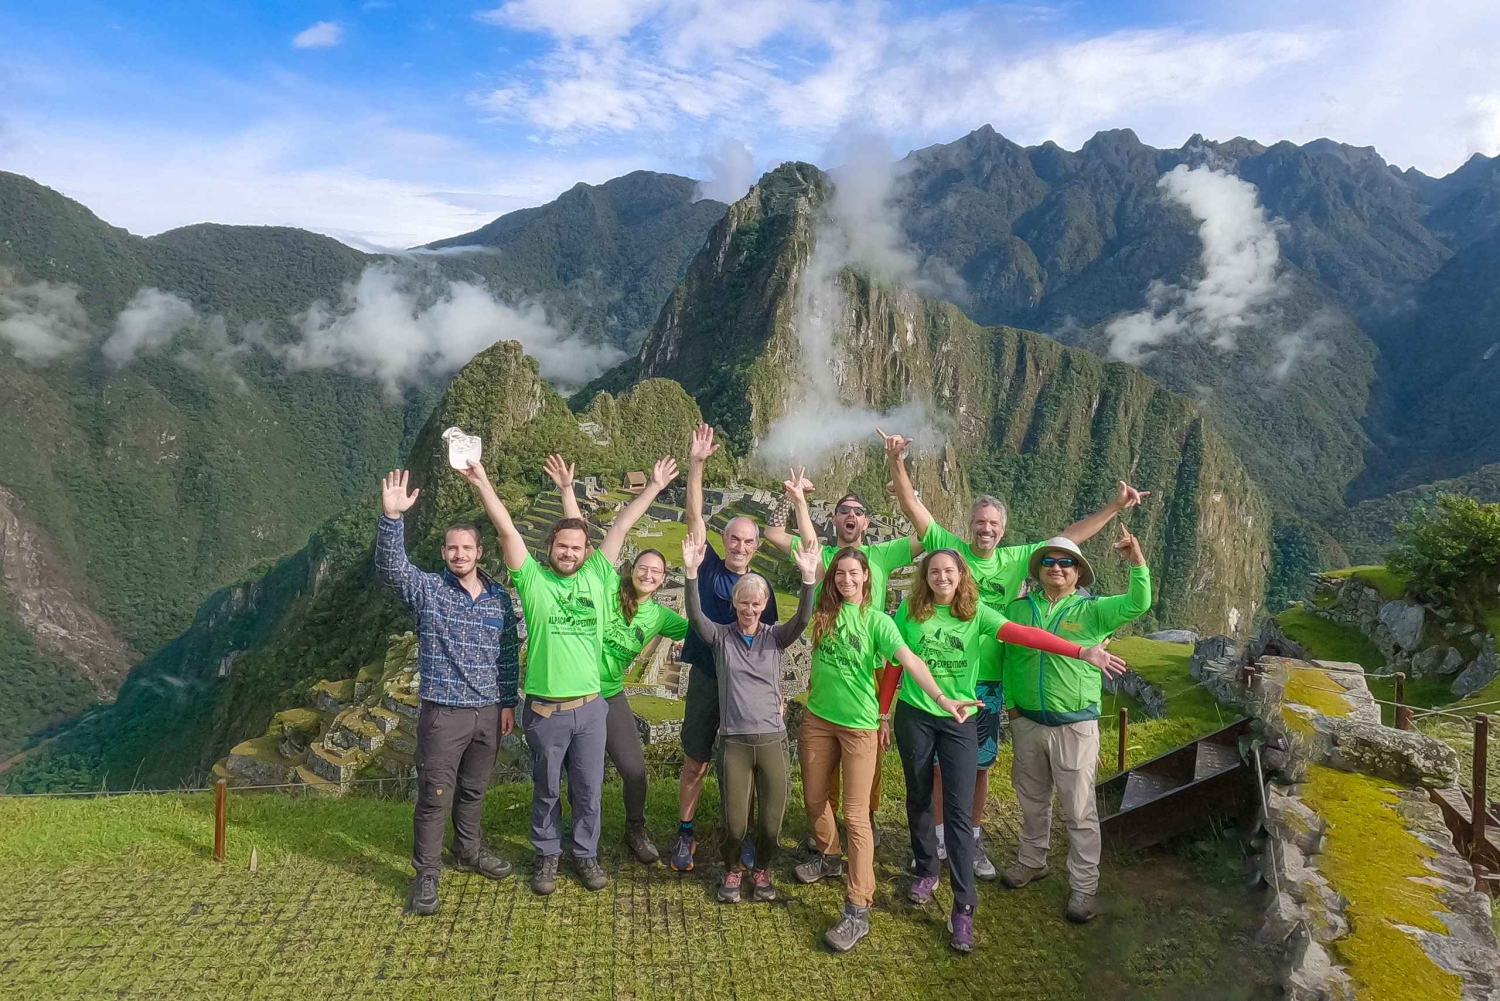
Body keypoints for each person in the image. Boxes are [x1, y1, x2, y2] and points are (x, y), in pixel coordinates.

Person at [882, 428, 1148, 877]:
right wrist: (896, 461)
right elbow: (912, 507)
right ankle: (937, 841)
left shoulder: (1015, 559)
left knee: (978, 766)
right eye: (980, 522)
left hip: (985, 681)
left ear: (1003, 529)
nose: (986, 529)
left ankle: (972, 839)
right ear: (970, 525)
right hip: (937, 680)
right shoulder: (950, 553)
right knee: (933, 769)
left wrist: (1116, 507)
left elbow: (1068, 540)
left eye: (994, 524)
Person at [878, 549, 1127, 952]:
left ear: (961, 576)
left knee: (958, 813)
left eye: (949, 572)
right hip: (915, 716)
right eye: (934, 571)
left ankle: (963, 907)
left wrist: (1081, 651)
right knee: (919, 795)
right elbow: (894, 662)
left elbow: (1025, 634)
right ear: (924, 577)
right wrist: (884, 712)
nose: (942, 578)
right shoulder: (909, 611)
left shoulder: (976, 613)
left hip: (961, 719)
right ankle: (926, 870)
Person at [462, 454, 677, 895]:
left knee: (588, 787)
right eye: (562, 546)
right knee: (545, 789)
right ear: (550, 549)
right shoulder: (533, 581)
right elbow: (506, 529)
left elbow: (619, 528)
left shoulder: (598, 578)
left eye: (577, 548)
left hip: (591, 708)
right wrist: (482, 480)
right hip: (544, 710)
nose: (569, 552)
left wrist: (654, 487)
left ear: (586, 553)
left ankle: (585, 855)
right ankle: (547, 856)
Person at [794, 546, 980, 954]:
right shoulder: (823, 615)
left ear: (866, 578)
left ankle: (857, 906)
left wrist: (941, 697)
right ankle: (828, 854)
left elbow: (909, 660)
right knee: (812, 799)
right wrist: (809, 568)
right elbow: (801, 608)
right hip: (818, 719)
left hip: (859, 727)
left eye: (853, 574)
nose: (846, 580)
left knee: (856, 815)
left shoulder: (877, 621)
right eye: (839, 574)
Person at [374, 469, 521, 917]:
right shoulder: (430, 591)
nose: (459, 554)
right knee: (436, 793)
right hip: (445, 714)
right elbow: (391, 569)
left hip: (489, 712)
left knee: (475, 789)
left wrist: (508, 703)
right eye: (452, 548)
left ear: (480, 552)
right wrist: (391, 518)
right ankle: (427, 874)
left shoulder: (499, 598)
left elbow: (509, 654)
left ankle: (469, 850)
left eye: (467, 548)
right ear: (443, 552)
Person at [998, 526, 1153, 924]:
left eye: (1066, 562)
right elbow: (1009, 661)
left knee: (1079, 809)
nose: (1057, 568)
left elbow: (1139, 602)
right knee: (1032, 801)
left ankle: (1083, 888)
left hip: (1075, 725)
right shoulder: (1018, 611)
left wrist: (1136, 561)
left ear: (1078, 572)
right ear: (1038, 569)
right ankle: (1032, 861)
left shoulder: (1094, 610)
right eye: (1049, 561)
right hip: (1028, 722)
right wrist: (1013, 708)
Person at [544, 453, 689, 865]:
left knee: (634, 770)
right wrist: (654, 487)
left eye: (656, 572)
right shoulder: (605, 588)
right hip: (577, 692)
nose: (648, 574)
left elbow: (703, 631)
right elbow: (610, 529)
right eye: (643, 567)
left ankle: (635, 828)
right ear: (631, 570)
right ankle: (571, 839)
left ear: (663, 581)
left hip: (610, 696)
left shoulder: (660, 615)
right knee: (576, 776)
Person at [767, 472, 923, 850]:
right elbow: (774, 534)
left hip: (870, 668)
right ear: (834, 519)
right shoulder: (822, 560)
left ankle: (861, 824)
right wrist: (794, 498)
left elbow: (926, 535)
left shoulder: (882, 555)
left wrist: (906, 494)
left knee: (866, 765)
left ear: (866, 522)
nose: (851, 515)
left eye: (858, 511)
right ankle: (829, 835)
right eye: (843, 510)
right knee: (823, 761)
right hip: (830, 667)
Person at [669, 423, 790, 873]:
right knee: (697, 758)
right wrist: (696, 465)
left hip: (749, 690)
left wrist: (774, 691)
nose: (739, 546)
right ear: (725, 543)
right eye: (734, 539)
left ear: (758, 548)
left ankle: (749, 838)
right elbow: (695, 517)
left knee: (751, 762)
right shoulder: (709, 568)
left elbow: (773, 645)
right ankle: (686, 831)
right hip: (707, 676)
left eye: (748, 541)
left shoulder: (762, 590)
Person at [680, 530, 819, 904]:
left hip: (772, 741)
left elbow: (804, 619)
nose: (751, 608)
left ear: (764, 605)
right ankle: (732, 869)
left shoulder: (775, 637)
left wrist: (808, 580)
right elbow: (695, 615)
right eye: (744, 602)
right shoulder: (720, 638)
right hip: (735, 743)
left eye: (757, 603)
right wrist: (692, 573)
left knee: (771, 826)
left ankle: (762, 869)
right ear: (735, 604)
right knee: (735, 825)